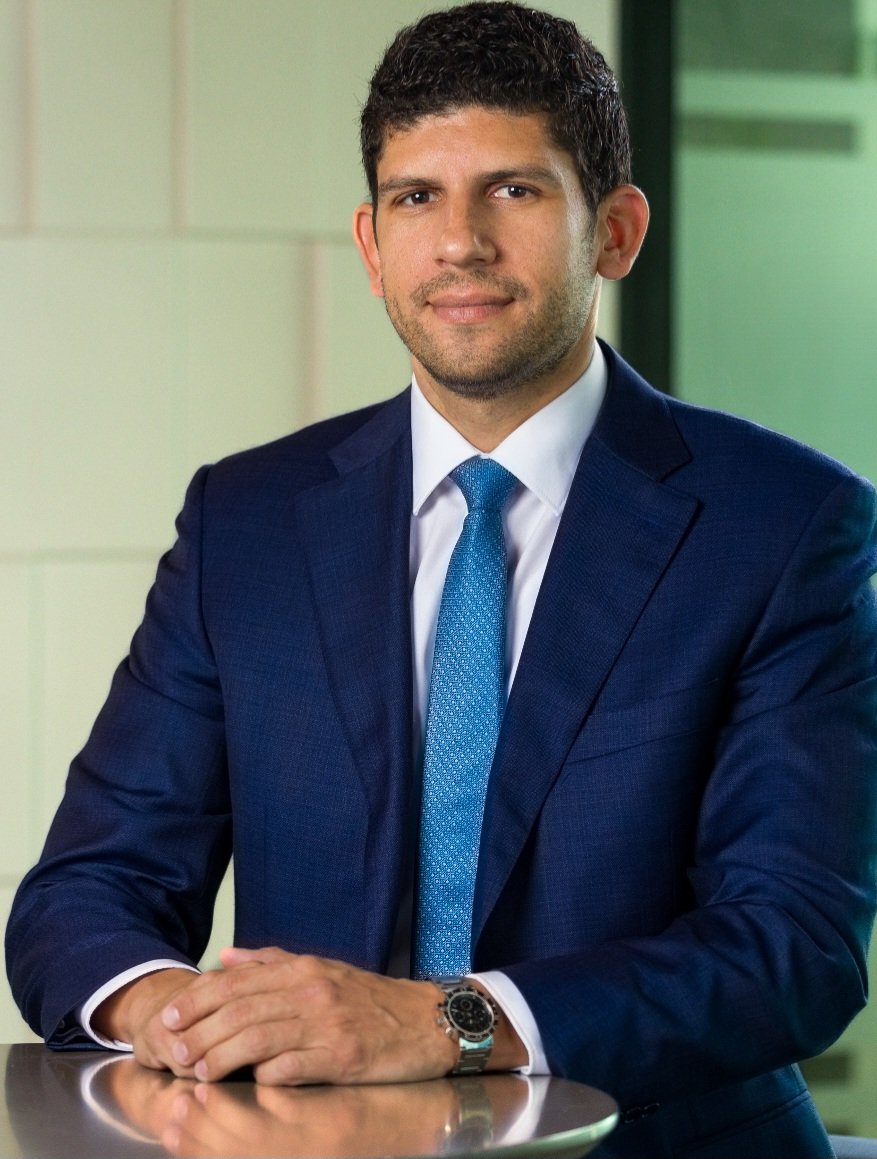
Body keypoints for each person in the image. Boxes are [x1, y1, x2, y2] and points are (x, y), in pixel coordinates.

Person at [6, 3, 877, 1156]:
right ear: (373, 248)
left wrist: (444, 1023)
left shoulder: (781, 524)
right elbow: (84, 893)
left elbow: (793, 947)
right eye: (416, 198)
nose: (459, 242)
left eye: (513, 191)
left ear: (615, 232)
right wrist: (186, 1016)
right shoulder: (247, 523)